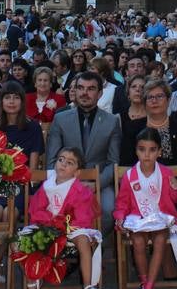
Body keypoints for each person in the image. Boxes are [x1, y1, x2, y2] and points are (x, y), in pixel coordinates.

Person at [114, 127, 177, 289]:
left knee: (160, 239)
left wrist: (176, 188)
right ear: (136, 150)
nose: (146, 155)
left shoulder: (164, 173)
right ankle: (147, 287)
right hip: (138, 218)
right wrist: (120, 217)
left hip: (160, 218)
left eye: (152, 149)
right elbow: (122, 202)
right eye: (142, 149)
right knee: (138, 241)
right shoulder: (129, 176)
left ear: (159, 151)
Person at [0, 82, 43, 284]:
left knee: (9, 212)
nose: (12, 101)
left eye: (16, 97)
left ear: (22, 101)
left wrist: (19, 183)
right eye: (7, 97)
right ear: (1, 101)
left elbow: (32, 169)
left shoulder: (32, 127)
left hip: (20, 186)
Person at [46, 71, 121, 232]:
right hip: (65, 181)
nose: (84, 93)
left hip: (99, 183)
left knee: (109, 210)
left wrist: (96, 184)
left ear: (100, 93)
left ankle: (95, 249)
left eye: (91, 89)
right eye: (80, 88)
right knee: (56, 211)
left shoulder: (112, 121)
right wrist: (66, 183)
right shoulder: (60, 119)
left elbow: (113, 162)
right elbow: (52, 160)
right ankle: (68, 250)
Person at [26, 147, 103, 289]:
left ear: (76, 172)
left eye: (69, 163)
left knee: (83, 241)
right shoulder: (47, 187)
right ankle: (35, 277)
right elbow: (36, 210)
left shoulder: (81, 191)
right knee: (24, 241)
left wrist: (64, 223)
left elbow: (81, 217)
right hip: (48, 226)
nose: (63, 164)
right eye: (61, 160)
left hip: (71, 227)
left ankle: (88, 287)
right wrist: (50, 220)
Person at [118, 74, 147, 165]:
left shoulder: (153, 116)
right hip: (125, 169)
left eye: (142, 87)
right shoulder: (118, 118)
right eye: (134, 86)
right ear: (128, 93)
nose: (138, 89)